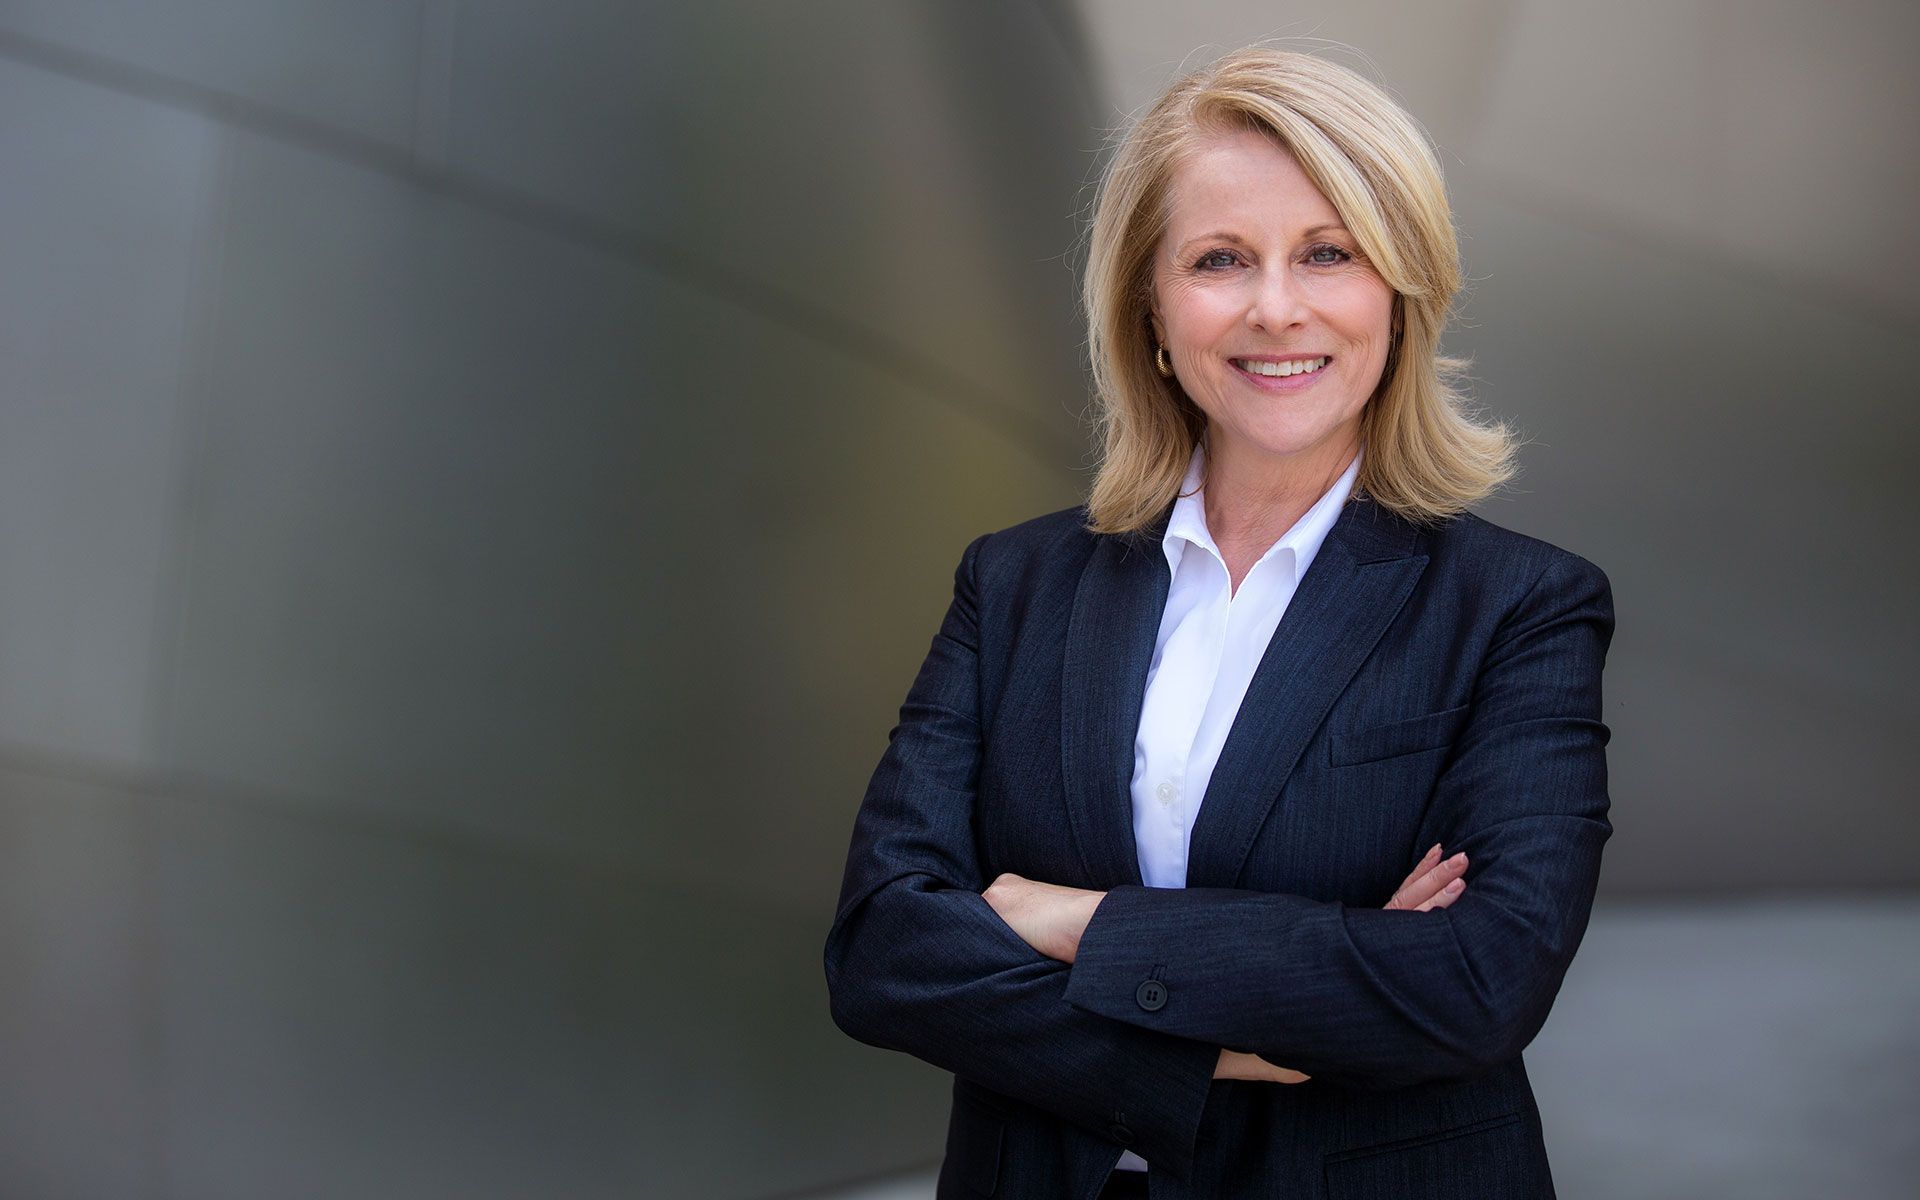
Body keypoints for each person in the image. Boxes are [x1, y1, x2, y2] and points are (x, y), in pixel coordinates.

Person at [824, 44, 1613, 1200]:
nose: (1276, 307)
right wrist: (1236, 1037)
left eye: (1329, 253)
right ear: (1149, 300)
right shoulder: (1017, 584)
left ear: (1401, 290)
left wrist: (1073, 919)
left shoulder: (1518, 609)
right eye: (1221, 259)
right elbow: (886, 951)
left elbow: (1474, 984)